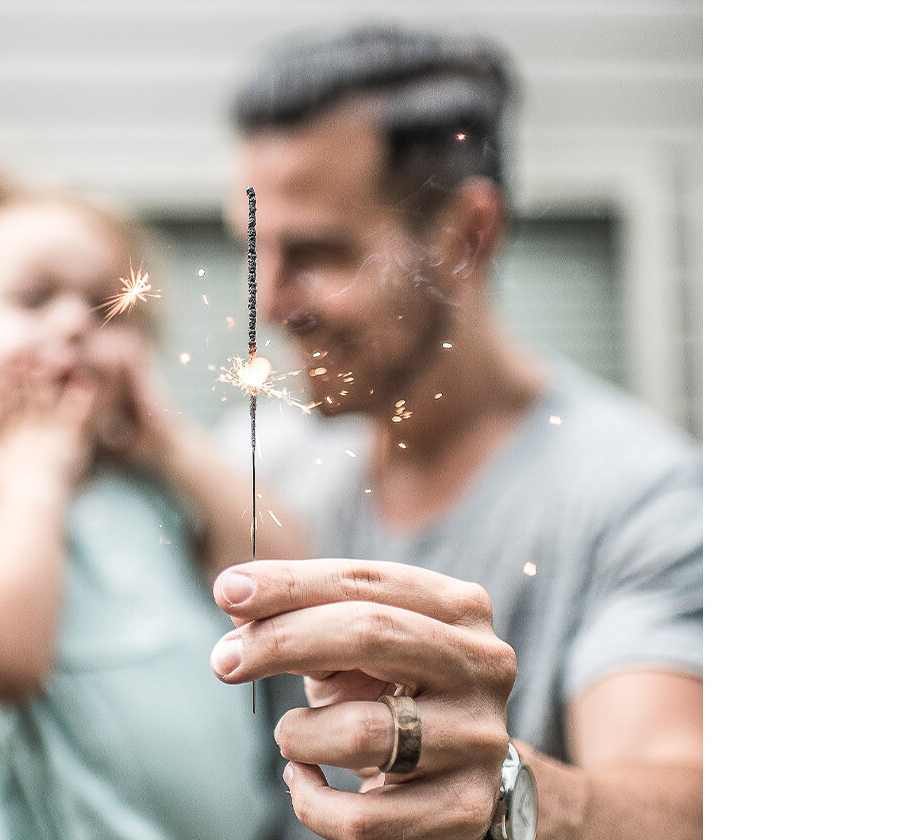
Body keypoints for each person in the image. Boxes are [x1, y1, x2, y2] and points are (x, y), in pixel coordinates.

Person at [208, 26, 702, 840]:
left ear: (465, 237)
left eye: (320, 252)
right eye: (256, 252)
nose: (269, 303)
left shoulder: (641, 497)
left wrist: (512, 791)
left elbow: (684, 797)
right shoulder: (264, 460)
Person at [0, 162, 302, 840]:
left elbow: (291, 573)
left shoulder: (152, 492)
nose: (73, 324)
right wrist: (34, 477)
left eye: (105, 307)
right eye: (33, 298)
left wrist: (173, 446)